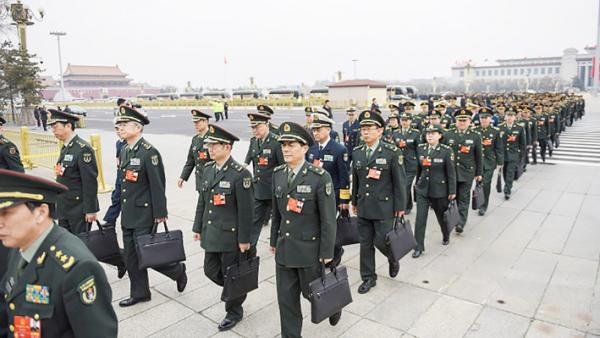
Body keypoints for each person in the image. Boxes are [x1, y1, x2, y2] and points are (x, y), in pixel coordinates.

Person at [0, 169, 118, 337]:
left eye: (6, 213)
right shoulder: (17, 244)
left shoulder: (76, 268)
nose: (0, 222)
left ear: (40, 213)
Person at [114, 105, 188, 307]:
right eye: (118, 125)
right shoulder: (126, 150)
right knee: (131, 257)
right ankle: (140, 293)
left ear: (137, 128)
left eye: (124, 124)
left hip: (144, 213)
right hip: (129, 213)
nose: (119, 128)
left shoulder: (149, 152)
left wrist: (160, 213)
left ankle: (177, 271)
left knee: (146, 254)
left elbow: (157, 185)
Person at [270, 122, 338, 337]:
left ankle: (334, 304)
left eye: (291, 144)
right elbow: (277, 213)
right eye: (283, 145)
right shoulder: (278, 174)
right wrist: (273, 240)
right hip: (285, 249)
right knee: (286, 302)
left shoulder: (319, 177)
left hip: (309, 251)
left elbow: (328, 220)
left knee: (314, 294)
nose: (286, 149)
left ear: (305, 148)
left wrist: (327, 252)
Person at [192, 124, 253, 331]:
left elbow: (247, 212)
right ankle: (237, 290)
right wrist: (197, 226)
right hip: (212, 232)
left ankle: (234, 310)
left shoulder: (240, 174)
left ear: (227, 147)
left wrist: (245, 239)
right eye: (208, 144)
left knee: (231, 273)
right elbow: (203, 201)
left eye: (214, 145)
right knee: (211, 270)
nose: (209, 148)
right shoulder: (208, 169)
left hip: (230, 236)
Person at [351, 110, 406, 294]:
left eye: (369, 128)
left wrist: (400, 207)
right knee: (365, 243)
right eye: (363, 129)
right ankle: (368, 277)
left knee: (382, 240)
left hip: (384, 207)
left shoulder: (391, 152)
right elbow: (357, 179)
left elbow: (400, 182)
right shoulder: (358, 152)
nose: (365, 132)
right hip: (364, 205)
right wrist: (354, 200)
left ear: (380, 130)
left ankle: (393, 258)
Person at [306, 113, 350, 266]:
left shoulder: (339, 149)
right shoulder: (311, 149)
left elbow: (344, 177)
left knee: (331, 227)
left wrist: (344, 200)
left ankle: (336, 253)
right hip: (314, 197)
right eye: (314, 130)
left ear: (328, 129)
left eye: (318, 129)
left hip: (333, 197)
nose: (315, 133)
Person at [48, 109, 99, 235]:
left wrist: (91, 210)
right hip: (64, 206)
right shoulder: (66, 147)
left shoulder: (83, 149)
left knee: (79, 245)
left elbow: (90, 182)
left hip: (78, 209)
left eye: (55, 127)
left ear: (68, 126)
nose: (53, 131)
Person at [412, 125, 456, 258]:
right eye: (427, 133)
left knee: (441, 216)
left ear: (440, 135)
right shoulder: (421, 149)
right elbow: (419, 169)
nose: (429, 136)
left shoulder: (446, 151)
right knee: (420, 219)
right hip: (423, 189)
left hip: (439, 190)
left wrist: (452, 190)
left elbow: (451, 173)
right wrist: (417, 183)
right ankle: (418, 246)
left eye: (433, 133)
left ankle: (445, 233)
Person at [244, 110, 285, 247]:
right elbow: (253, 160)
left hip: (274, 189)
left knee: (279, 220)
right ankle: (249, 248)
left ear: (267, 124)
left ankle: (279, 244)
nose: (254, 130)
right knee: (254, 220)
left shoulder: (276, 142)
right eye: (252, 127)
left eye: (257, 127)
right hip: (259, 189)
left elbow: (282, 167)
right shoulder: (254, 141)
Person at [443, 109, 483, 233]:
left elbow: (478, 156)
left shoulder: (475, 135)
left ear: (470, 121)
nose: (461, 123)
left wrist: (479, 173)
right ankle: (452, 218)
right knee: (452, 197)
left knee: (464, 198)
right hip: (451, 173)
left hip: (467, 172)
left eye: (464, 120)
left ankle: (460, 222)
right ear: (455, 121)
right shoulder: (448, 134)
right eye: (459, 120)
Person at [473, 108, 503, 216]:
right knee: (478, 183)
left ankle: (483, 206)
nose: (483, 120)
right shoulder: (474, 130)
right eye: (481, 117)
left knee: (485, 184)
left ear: (490, 118)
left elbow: (499, 148)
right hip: (475, 163)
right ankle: (477, 201)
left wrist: (500, 163)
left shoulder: (495, 131)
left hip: (489, 163)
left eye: (486, 118)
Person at [391, 112, 420, 214]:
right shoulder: (395, 133)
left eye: (406, 120)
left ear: (410, 121)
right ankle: (408, 205)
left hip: (411, 164)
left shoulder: (416, 133)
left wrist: (419, 163)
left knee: (405, 185)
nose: (404, 122)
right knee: (402, 185)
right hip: (400, 164)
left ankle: (404, 206)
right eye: (402, 120)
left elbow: (419, 150)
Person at [178, 109, 212, 192]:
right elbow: (190, 161)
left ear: (206, 122)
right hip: (200, 181)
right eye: (194, 122)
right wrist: (183, 177)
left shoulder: (213, 139)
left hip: (212, 180)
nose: (195, 125)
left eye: (198, 122)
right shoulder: (195, 139)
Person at [499, 109, 526, 200]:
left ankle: (507, 190)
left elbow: (522, 143)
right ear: (505, 116)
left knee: (510, 172)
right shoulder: (500, 127)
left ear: (515, 117)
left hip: (513, 154)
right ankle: (507, 184)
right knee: (504, 172)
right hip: (503, 154)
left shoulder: (519, 128)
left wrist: (521, 155)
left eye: (512, 116)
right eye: (508, 115)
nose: (510, 117)